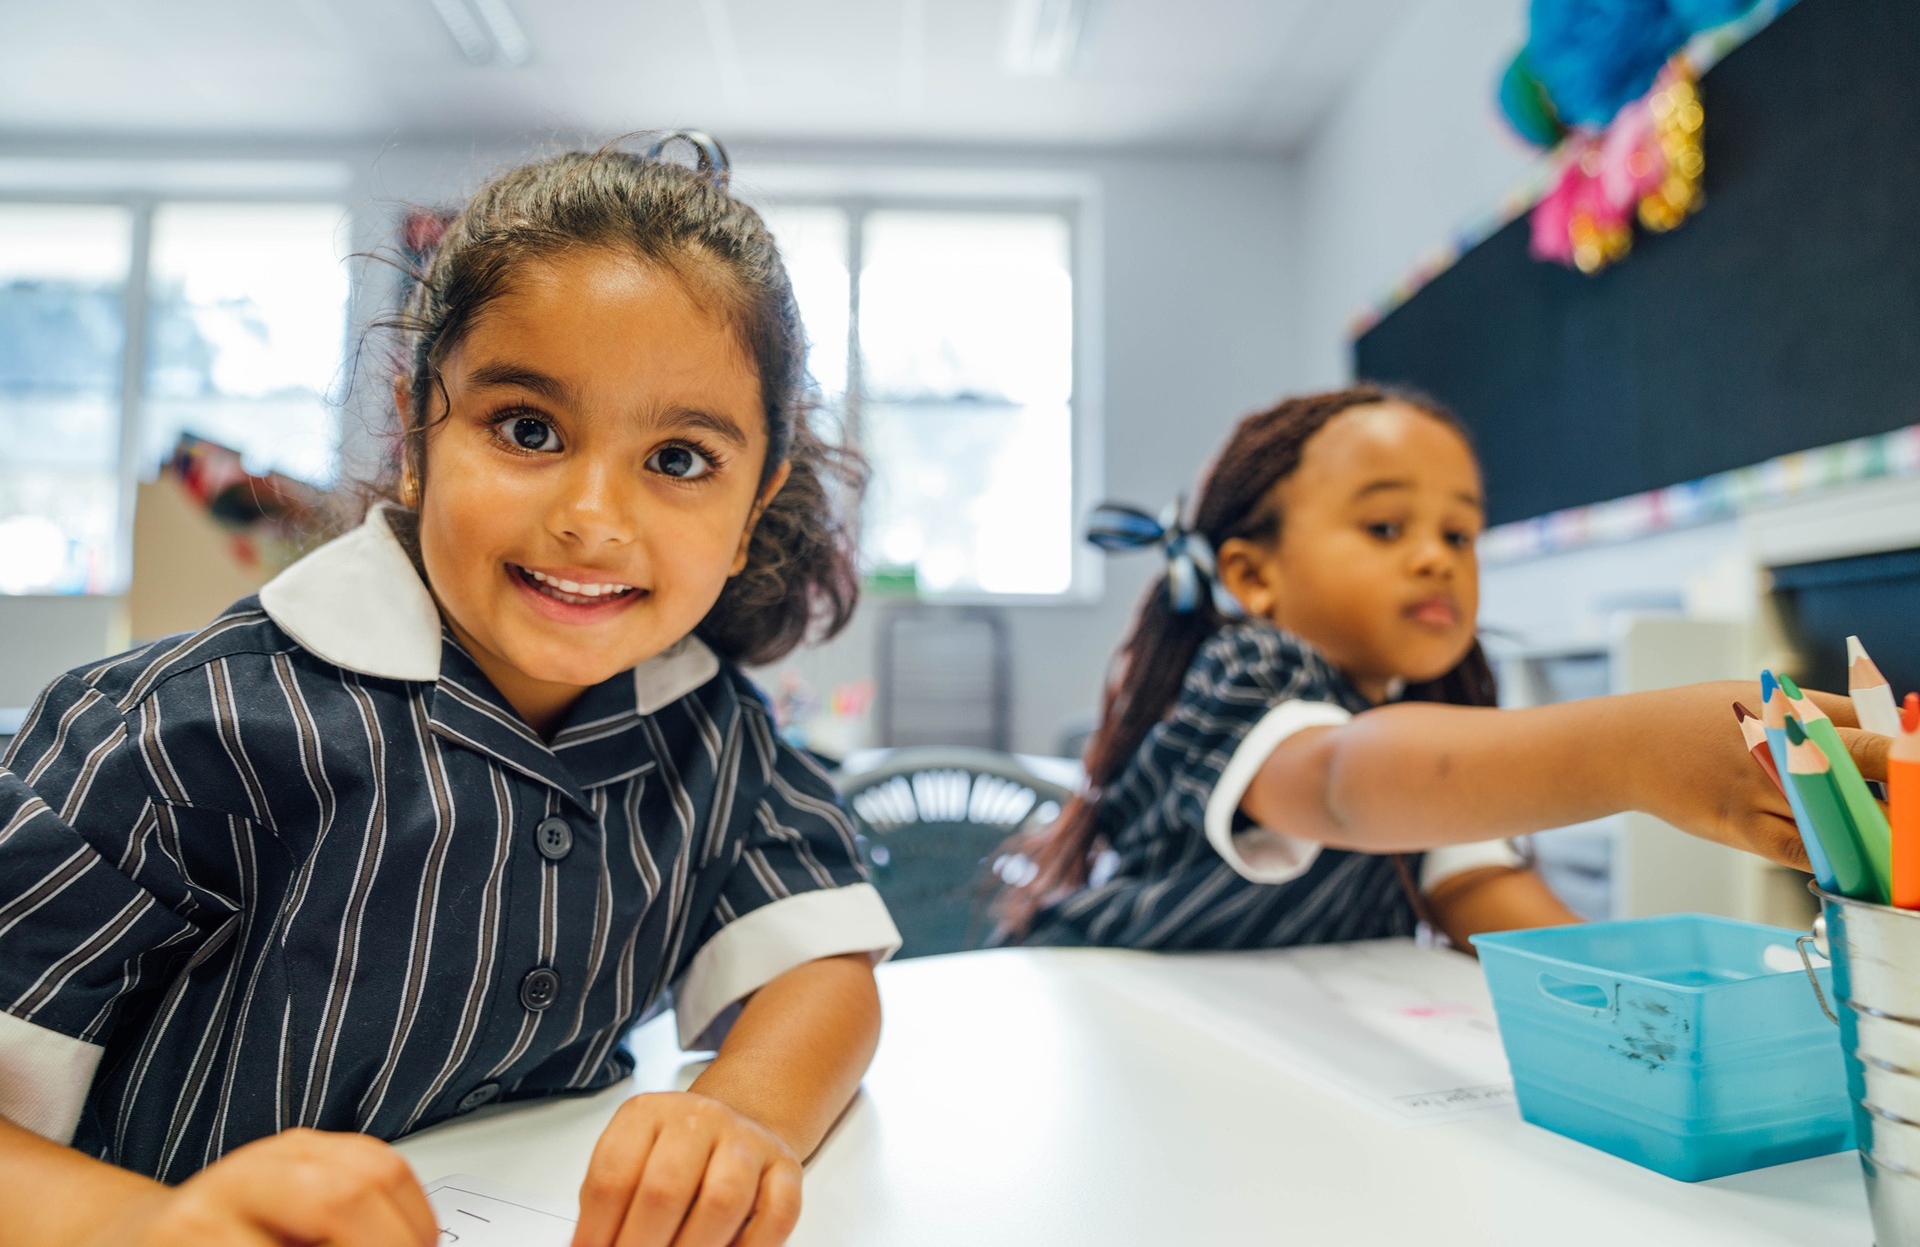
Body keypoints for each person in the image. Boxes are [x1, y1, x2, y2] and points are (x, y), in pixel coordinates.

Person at [0, 138, 899, 1247]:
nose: (592, 516)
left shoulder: (712, 732)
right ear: (417, 427)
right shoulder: (177, 732)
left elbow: (824, 965)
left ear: (756, 498)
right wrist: (146, 1228)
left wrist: (741, 1114)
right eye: (528, 430)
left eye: (678, 460)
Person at [998, 386, 1879, 950]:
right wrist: (1636, 750)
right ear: (1251, 576)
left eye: (1458, 533)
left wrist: (1649, 1005)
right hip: (1091, 1015)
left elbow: (1486, 889)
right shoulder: (1244, 673)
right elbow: (1344, 780)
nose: (1435, 558)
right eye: (1386, 528)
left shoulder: (1424, 731)